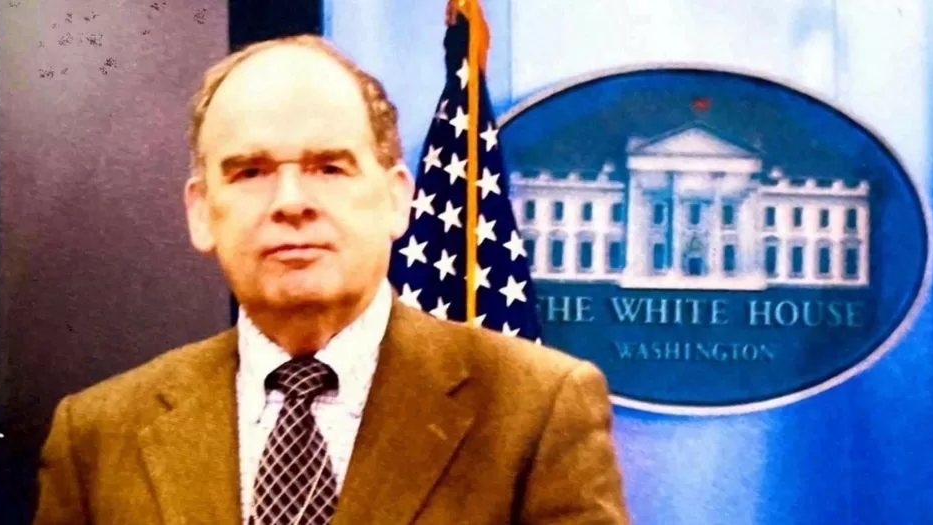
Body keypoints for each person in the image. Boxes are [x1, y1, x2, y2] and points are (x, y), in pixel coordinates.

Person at [32, 34, 629, 525]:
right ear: (200, 211)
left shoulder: (536, 411)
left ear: (397, 200)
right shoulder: (96, 436)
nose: (292, 201)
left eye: (329, 167)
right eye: (250, 172)